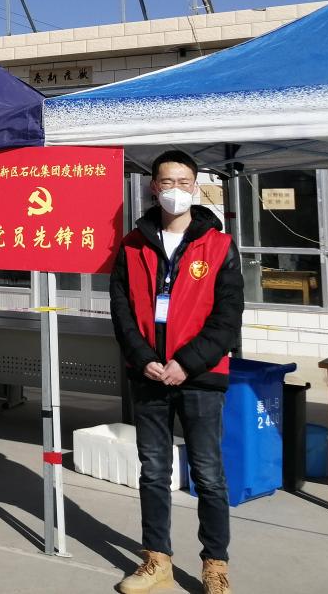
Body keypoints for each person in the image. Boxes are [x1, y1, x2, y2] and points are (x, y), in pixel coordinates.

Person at [109, 150, 244, 594]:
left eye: (184, 182)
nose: (175, 190)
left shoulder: (219, 245)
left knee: (208, 472)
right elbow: (121, 310)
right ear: (153, 187)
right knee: (153, 470)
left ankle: (215, 564)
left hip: (199, 377)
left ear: (195, 186)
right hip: (148, 374)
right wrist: (143, 357)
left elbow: (228, 317)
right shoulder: (132, 245)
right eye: (167, 182)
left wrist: (185, 362)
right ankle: (157, 559)